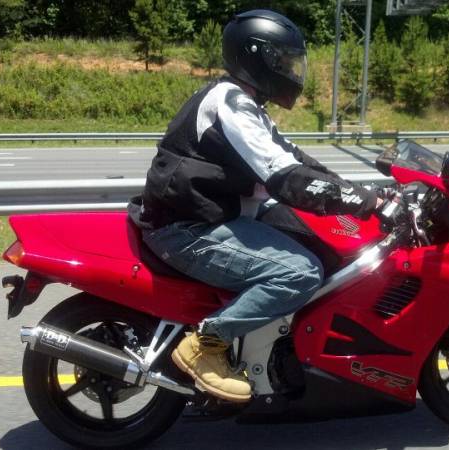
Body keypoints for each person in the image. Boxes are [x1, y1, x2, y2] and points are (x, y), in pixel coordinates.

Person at [128, 9, 380, 402]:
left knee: (313, 240)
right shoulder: (229, 102)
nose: (292, 71)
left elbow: (295, 159)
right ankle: (206, 345)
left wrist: (360, 192)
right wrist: (358, 202)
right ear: (258, 57)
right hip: (187, 230)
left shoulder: (244, 105)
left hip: (210, 215)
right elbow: (284, 177)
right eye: (285, 61)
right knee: (300, 273)